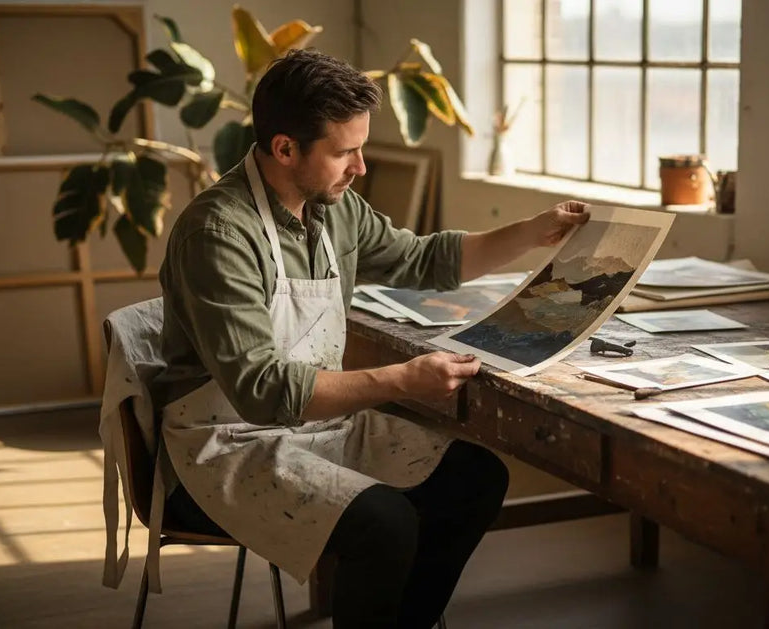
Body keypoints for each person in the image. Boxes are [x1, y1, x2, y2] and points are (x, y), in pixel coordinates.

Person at [153, 48, 588, 628]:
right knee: (383, 523)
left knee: (475, 480)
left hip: (312, 426)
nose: (360, 166)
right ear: (285, 148)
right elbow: (262, 390)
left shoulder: (333, 209)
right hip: (226, 443)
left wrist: (535, 232)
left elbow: (425, 258)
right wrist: (404, 379)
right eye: (344, 152)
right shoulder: (218, 234)